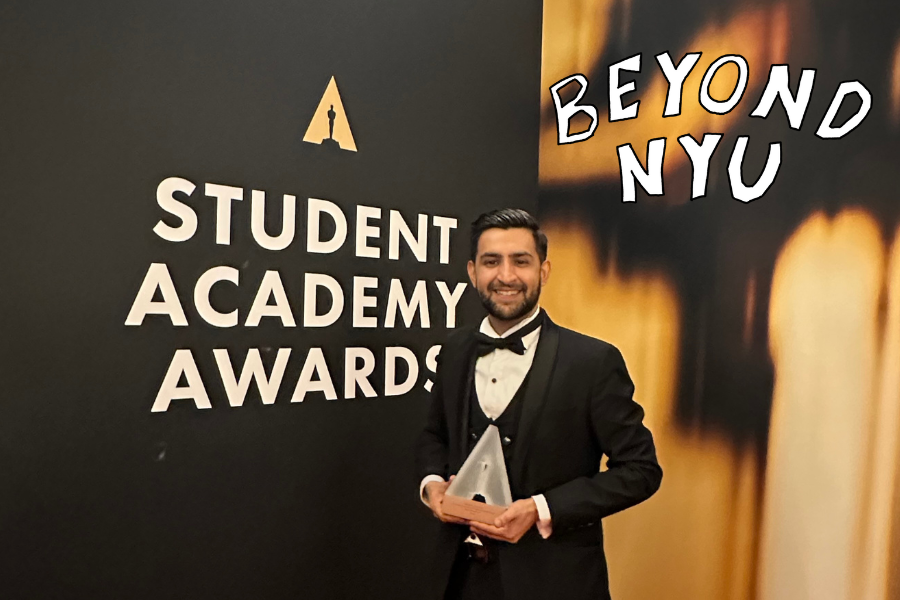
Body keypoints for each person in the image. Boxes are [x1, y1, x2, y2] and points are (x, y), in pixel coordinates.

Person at [415, 208, 662, 600]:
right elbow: (434, 434)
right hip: (456, 579)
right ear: (471, 272)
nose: (506, 276)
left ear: (543, 271)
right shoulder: (455, 349)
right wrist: (432, 488)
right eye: (491, 261)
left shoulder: (593, 362)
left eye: (521, 261)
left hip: (555, 581)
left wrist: (542, 508)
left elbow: (641, 470)